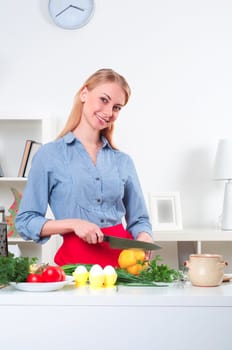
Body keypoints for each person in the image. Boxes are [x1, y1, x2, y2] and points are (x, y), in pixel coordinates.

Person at [15, 68, 153, 267]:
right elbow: (25, 222)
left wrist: (144, 236)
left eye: (117, 107)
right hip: (74, 270)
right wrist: (73, 224)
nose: (108, 112)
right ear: (84, 93)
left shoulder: (123, 161)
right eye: (104, 100)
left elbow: (139, 219)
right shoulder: (49, 156)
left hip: (125, 269)